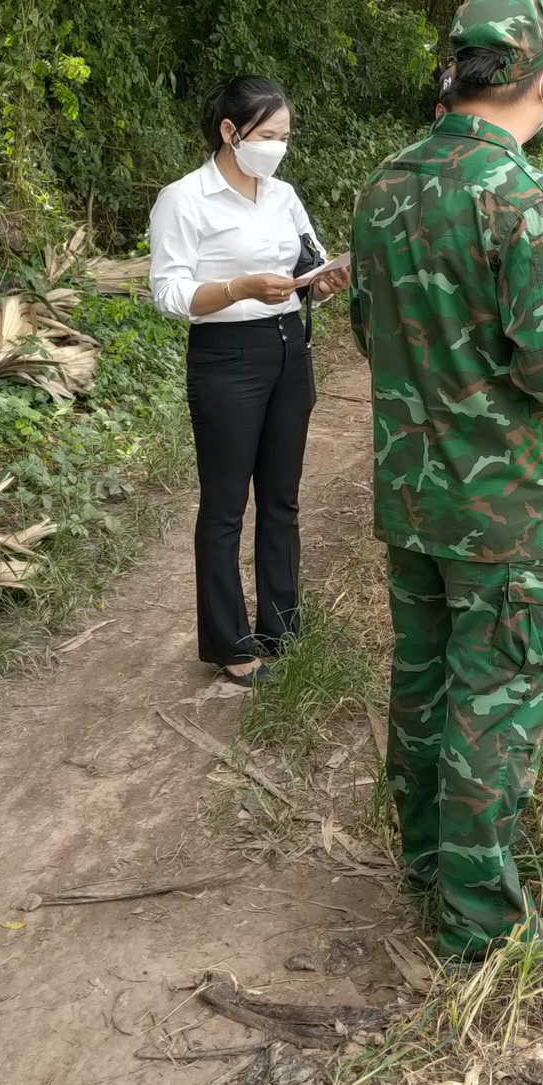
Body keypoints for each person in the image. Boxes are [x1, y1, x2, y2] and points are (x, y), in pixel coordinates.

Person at [349, 0, 543, 962]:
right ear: (534, 75)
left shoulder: (387, 183)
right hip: (508, 508)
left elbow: (365, 330)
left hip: (413, 492)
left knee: (425, 688)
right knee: (494, 705)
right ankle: (478, 924)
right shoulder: (521, 195)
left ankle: (428, 872)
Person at [149, 77, 349, 686]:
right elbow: (168, 293)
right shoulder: (184, 199)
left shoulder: (283, 195)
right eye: (265, 136)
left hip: (288, 347)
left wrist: (323, 280)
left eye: (284, 136)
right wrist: (236, 288)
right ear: (229, 132)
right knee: (225, 506)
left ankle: (281, 624)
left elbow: (308, 261)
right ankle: (229, 642)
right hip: (226, 357)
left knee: (282, 499)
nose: (276, 147)